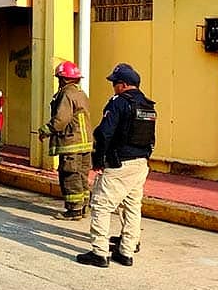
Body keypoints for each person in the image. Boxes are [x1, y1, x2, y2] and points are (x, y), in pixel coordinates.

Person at [77, 63, 156, 268]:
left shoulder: (119, 102)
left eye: (115, 83)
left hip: (120, 163)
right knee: (132, 207)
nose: (113, 87)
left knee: (101, 206)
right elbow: (151, 138)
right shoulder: (148, 105)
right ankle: (126, 252)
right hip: (141, 164)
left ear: (122, 85)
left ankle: (100, 253)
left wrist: (99, 160)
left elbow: (104, 133)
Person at [40, 60, 92, 221]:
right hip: (85, 144)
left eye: (59, 78)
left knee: (70, 176)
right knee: (81, 176)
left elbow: (62, 119)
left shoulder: (66, 94)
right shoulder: (80, 93)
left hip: (71, 143)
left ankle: (74, 210)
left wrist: (46, 130)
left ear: (63, 79)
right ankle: (83, 207)